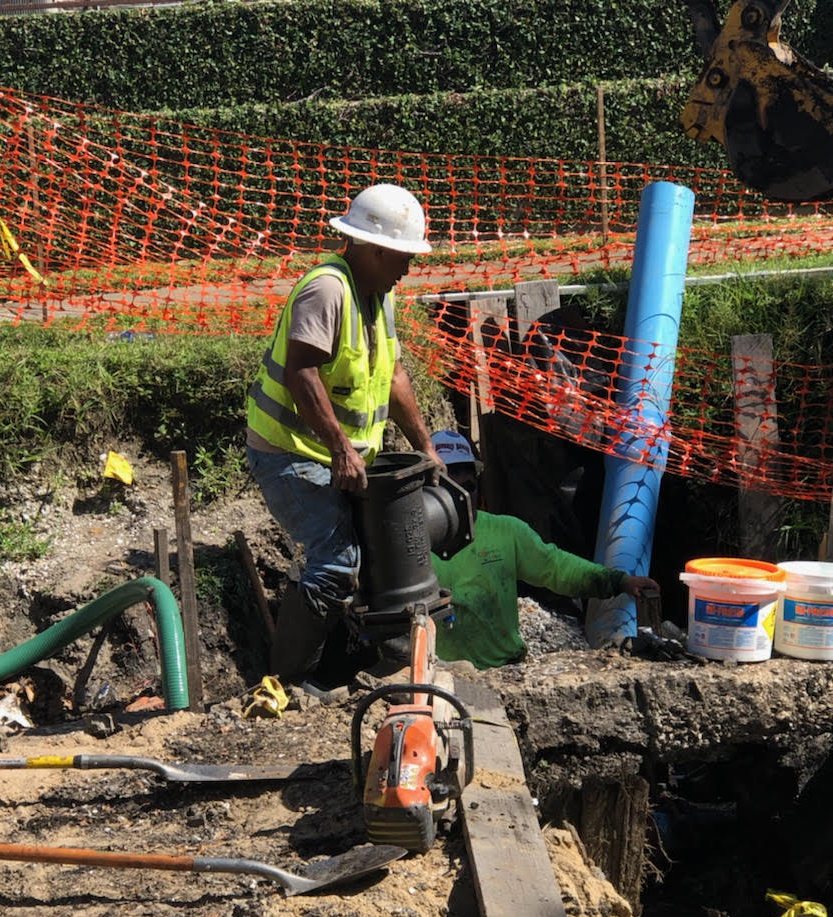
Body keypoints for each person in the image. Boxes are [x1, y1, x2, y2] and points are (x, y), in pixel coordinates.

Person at [246, 183, 443, 682]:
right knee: (336, 562)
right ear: (375, 250)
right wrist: (340, 449)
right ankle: (289, 681)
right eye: (403, 258)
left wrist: (425, 446)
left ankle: (380, 660)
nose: (408, 269)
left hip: (331, 450)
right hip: (289, 452)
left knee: (377, 551)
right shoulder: (327, 289)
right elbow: (301, 373)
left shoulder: (379, 295)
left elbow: (395, 375)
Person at [429, 429, 659, 669]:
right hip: (440, 674)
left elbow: (556, 567)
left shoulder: (505, 531)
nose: (466, 482)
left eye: (469, 472)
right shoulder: (414, 541)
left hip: (503, 670)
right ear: (431, 482)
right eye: (453, 473)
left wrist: (619, 582)